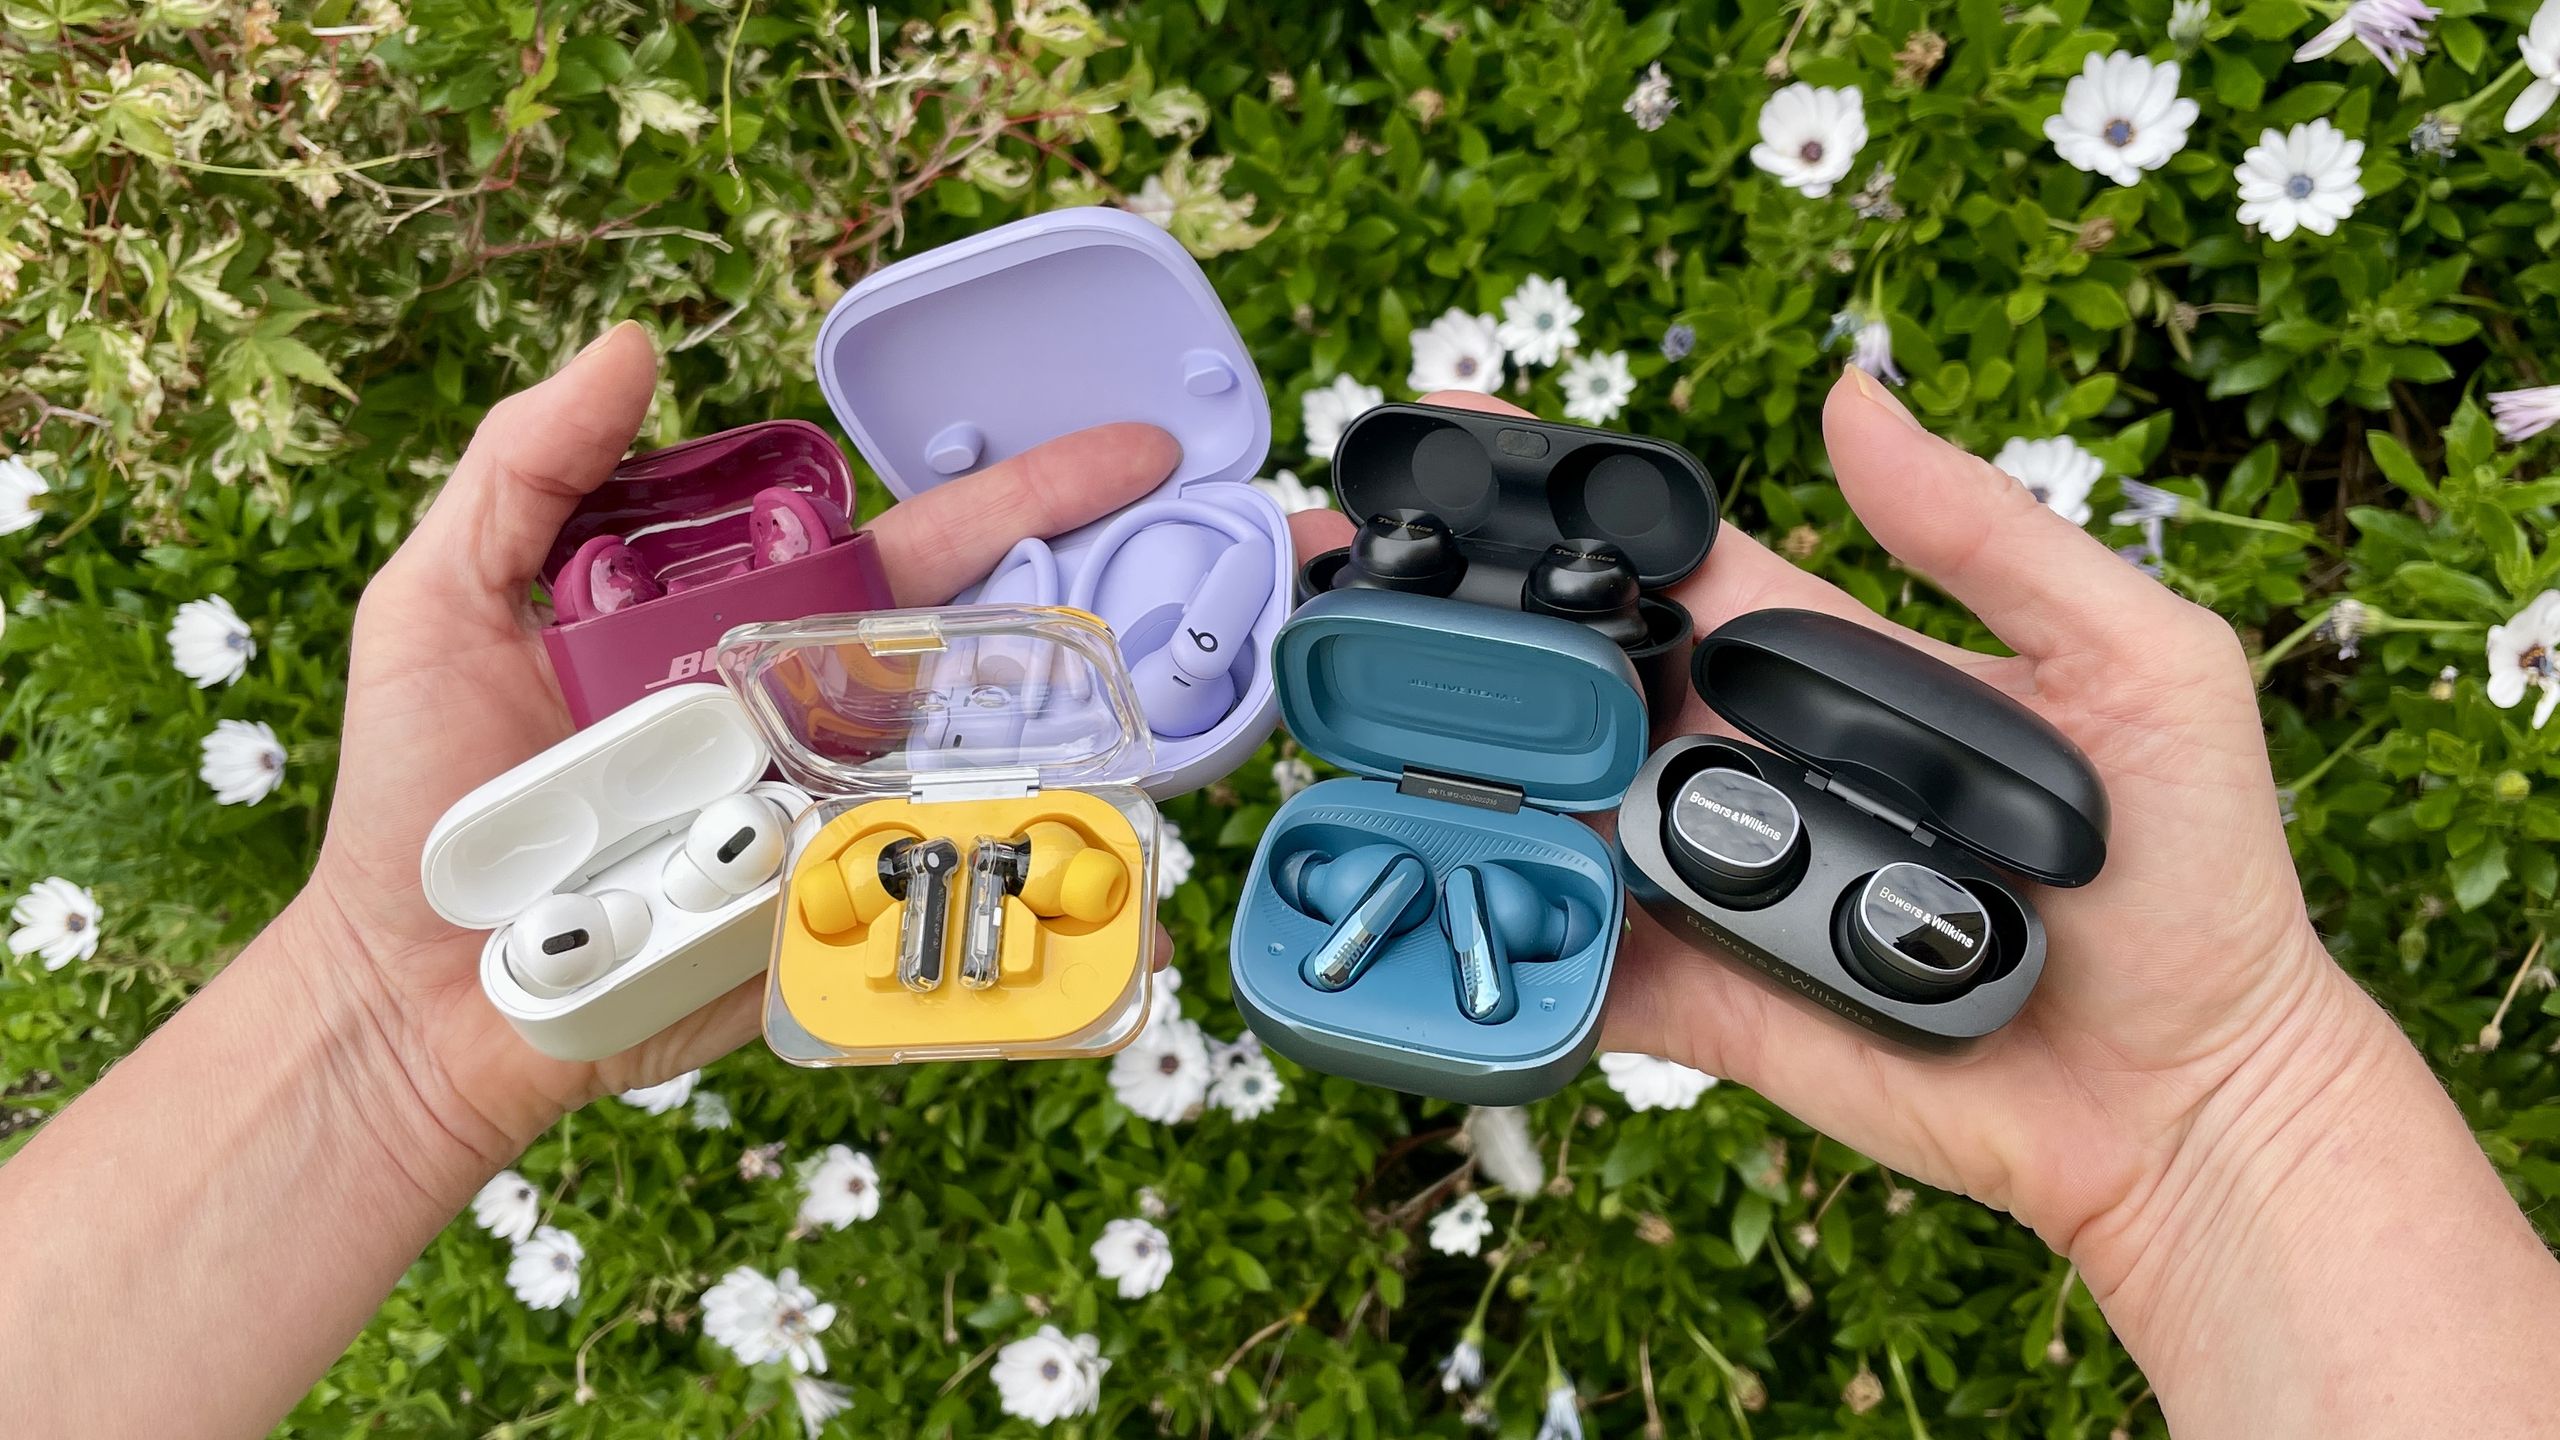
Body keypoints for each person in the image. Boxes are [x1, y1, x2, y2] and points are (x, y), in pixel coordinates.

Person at [0, 325, 2552, 1438]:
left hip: (1547, 814)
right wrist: (2231, 1125)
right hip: (1430, 803)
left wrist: (2223, 1107)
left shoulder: (1582, 734)